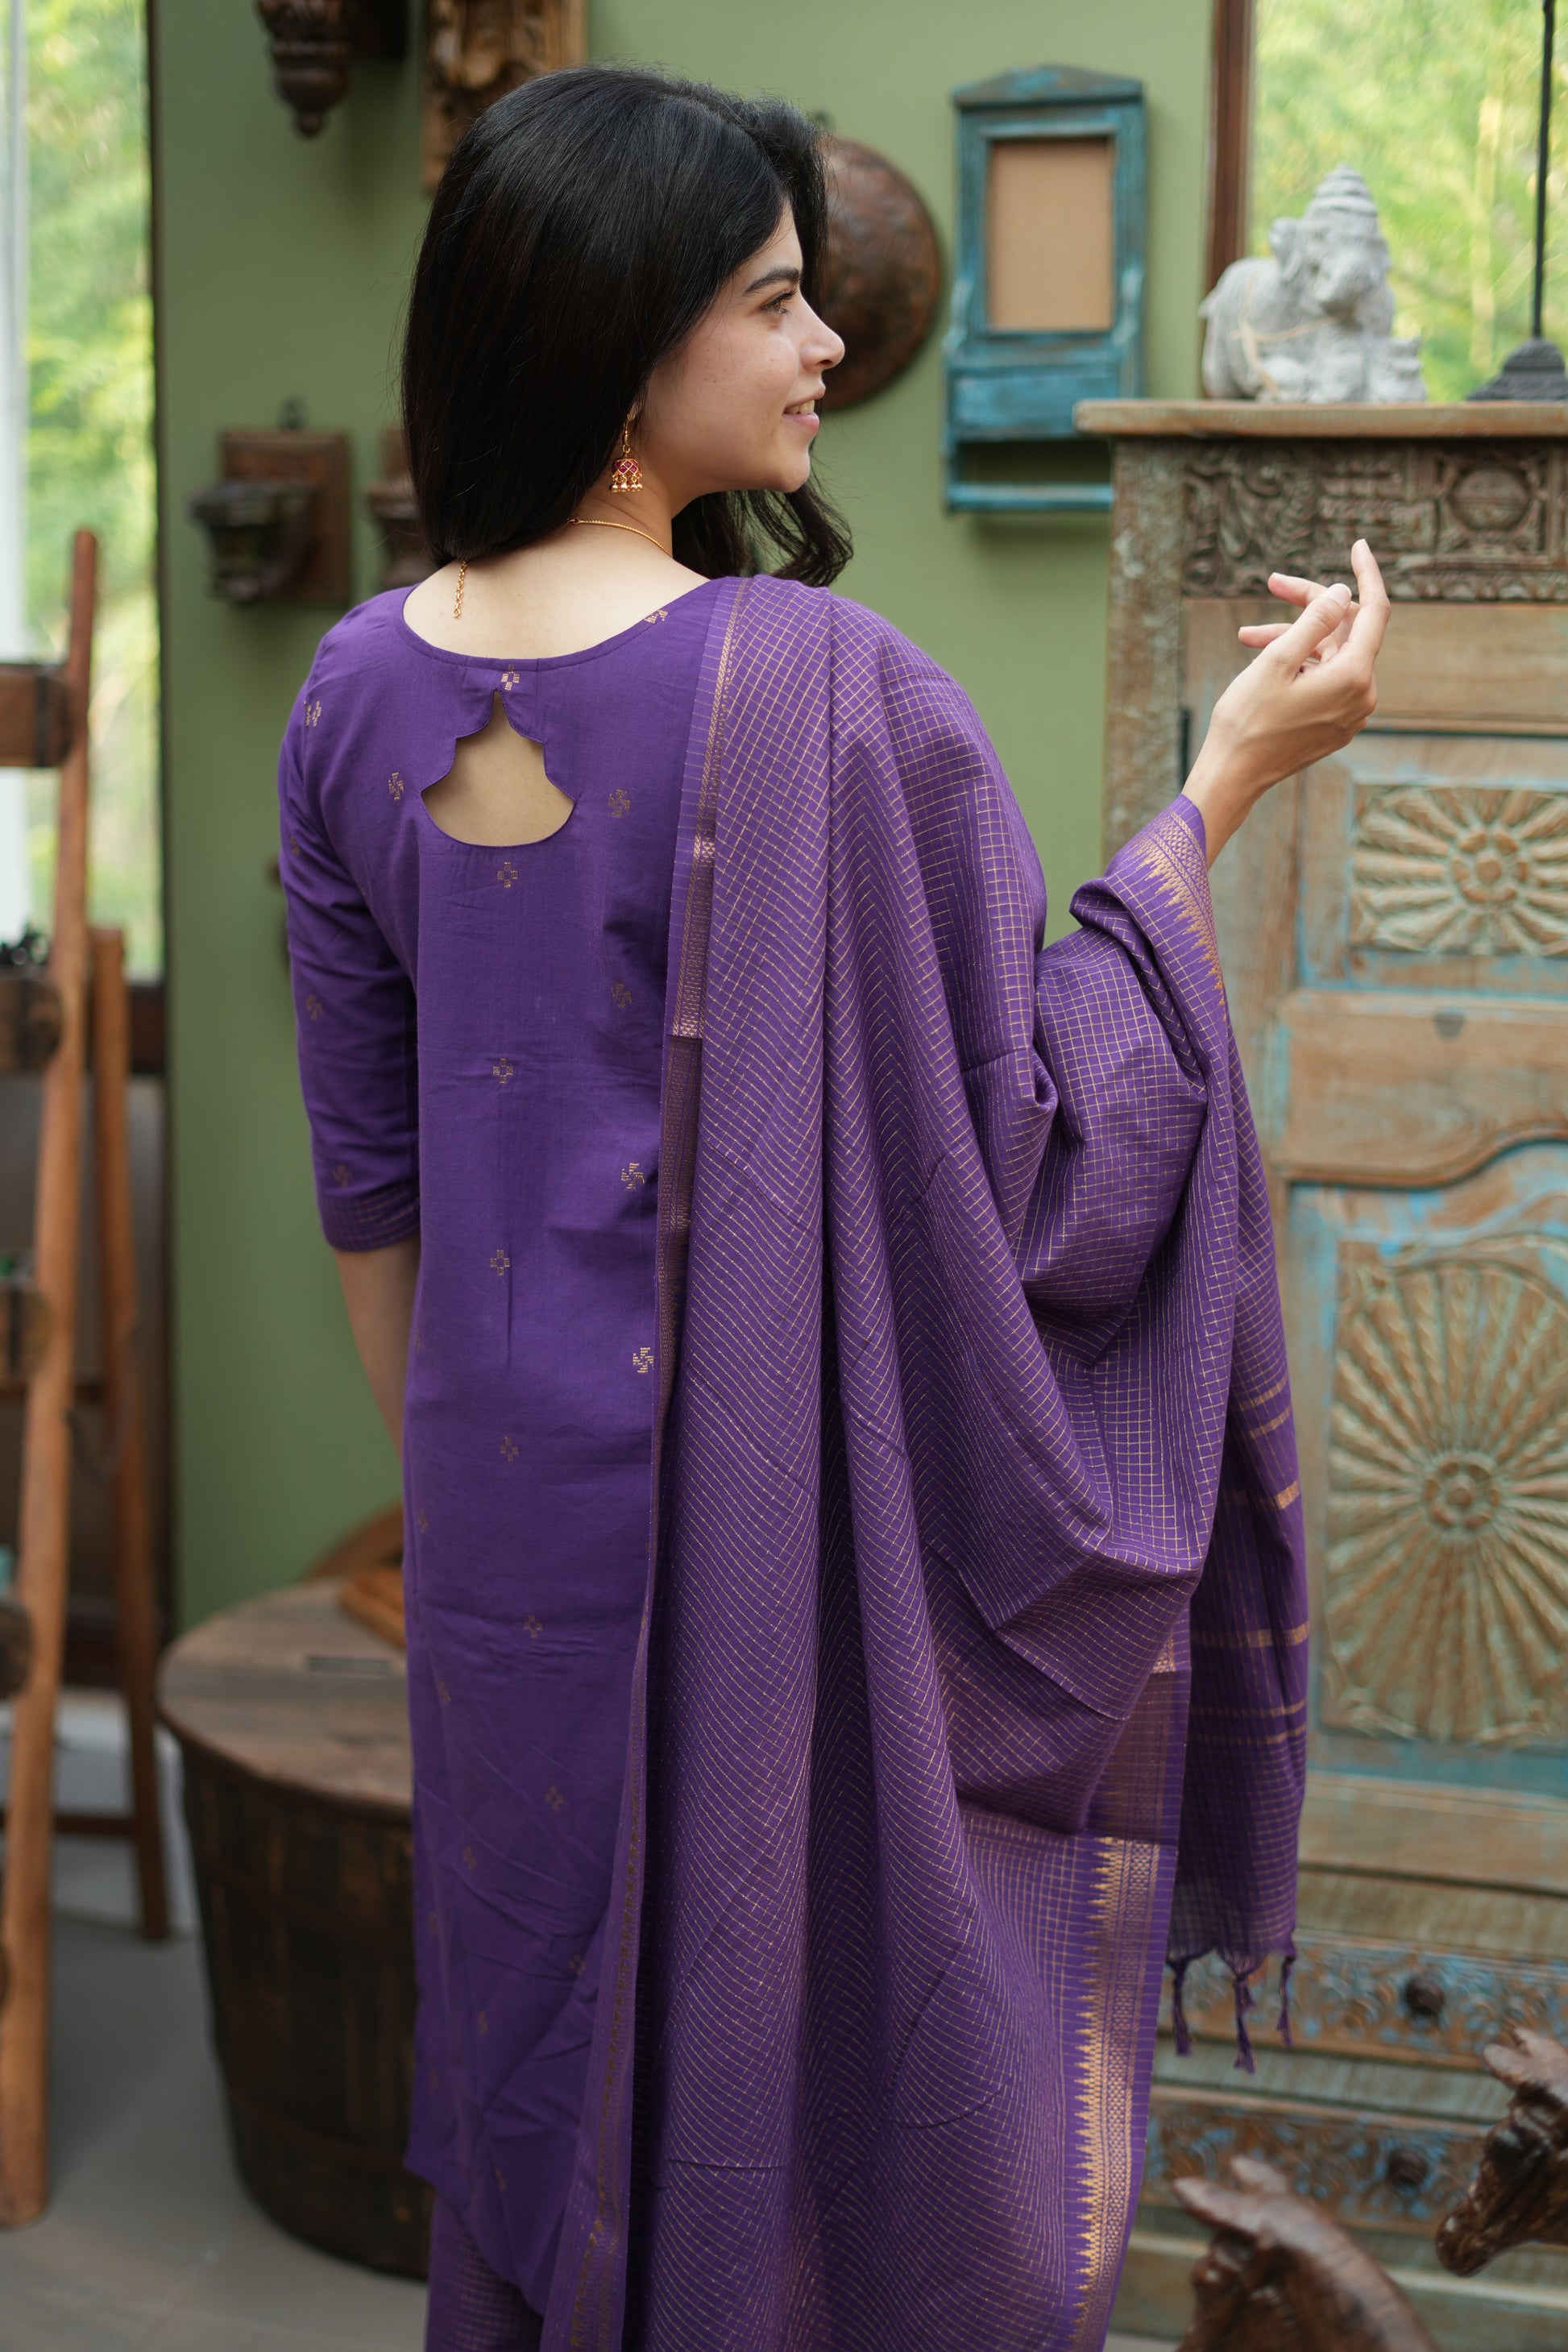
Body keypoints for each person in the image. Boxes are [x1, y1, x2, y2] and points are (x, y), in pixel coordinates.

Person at [277, 64, 1389, 2352]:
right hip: (772, 1537)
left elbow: (373, 1199)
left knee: (543, 2075)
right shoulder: (822, 691)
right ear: (622, 342)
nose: (822, 346)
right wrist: (1216, 793)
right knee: (773, 2107)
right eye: (773, 302)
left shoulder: (350, 695)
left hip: (492, 1551)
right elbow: (1043, 1152)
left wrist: (484, 1507)